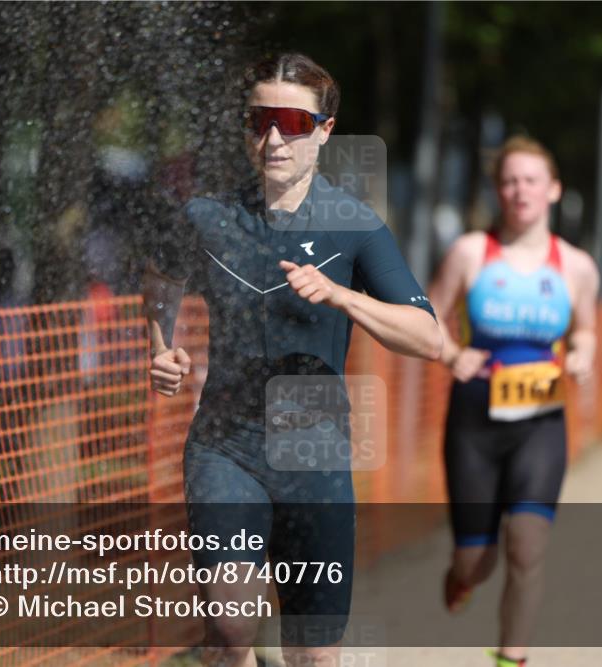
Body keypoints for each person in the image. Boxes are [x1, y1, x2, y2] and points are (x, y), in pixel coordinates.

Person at [142, 52, 441, 667]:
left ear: (325, 131)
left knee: (313, 655)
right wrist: (161, 346)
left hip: (315, 457)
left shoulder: (353, 227)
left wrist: (342, 295)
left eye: (294, 123)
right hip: (226, 447)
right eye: (260, 121)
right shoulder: (206, 218)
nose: (274, 138)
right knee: (230, 627)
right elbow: (160, 277)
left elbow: (428, 337)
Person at [427, 136, 599, 667]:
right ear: (498, 191)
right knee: (475, 561)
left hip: (541, 421)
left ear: (553, 190)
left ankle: (510, 659)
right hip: (474, 420)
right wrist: (452, 353)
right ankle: (461, 577)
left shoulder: (576, 266)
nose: (520, 190)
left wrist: (583, 352)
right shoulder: (470, 253)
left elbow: (586, 329)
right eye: (509, 181)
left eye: (530, 180)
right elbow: (427, 315)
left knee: (527, 546)